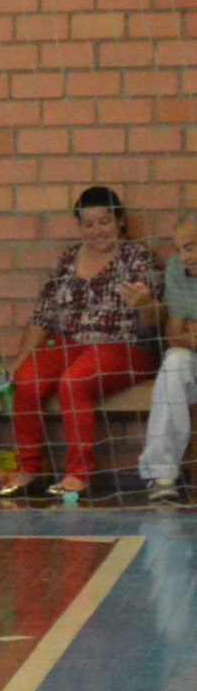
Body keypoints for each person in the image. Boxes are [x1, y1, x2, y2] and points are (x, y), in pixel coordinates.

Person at [1, 185, 164, 501]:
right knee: (27, 380)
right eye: (88, 224)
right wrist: (19, 360)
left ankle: (79, 475)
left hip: (125, 347)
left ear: (119, 220)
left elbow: (155, 323)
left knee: (74, 382)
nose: (96, 230)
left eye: (103, 222)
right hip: (70, 343)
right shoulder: (68, 259)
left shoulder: (139, 258)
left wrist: (144, 304)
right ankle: (30, 470)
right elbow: (42, 317)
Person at [136, 214, 197, 504]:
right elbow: (175, 333)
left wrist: (191, 330)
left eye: (191, 247)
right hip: (193, 358)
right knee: (174, 361)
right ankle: (162, 475)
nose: (185, 257)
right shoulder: (177, 267)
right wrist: (187, 332)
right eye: (180, 249)